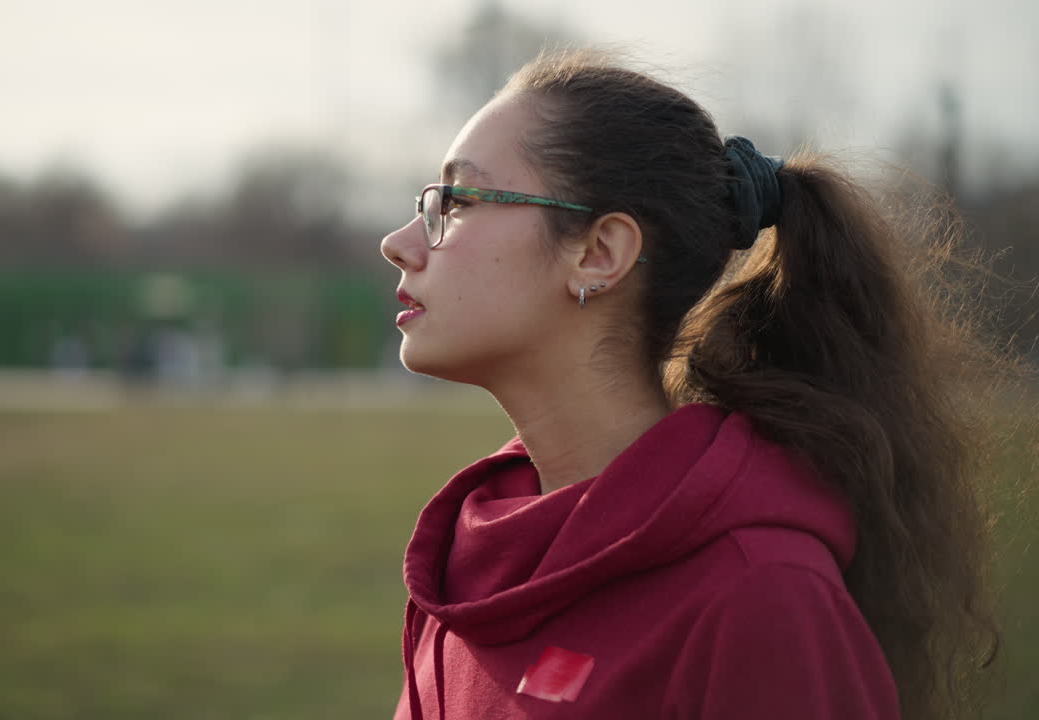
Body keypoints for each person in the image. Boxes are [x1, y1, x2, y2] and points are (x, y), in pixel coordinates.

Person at [379, 50, 1000, 720]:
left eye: (459, 200)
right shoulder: (470, 568)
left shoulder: (761, 597)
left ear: (599, 254)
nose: (400, 242)